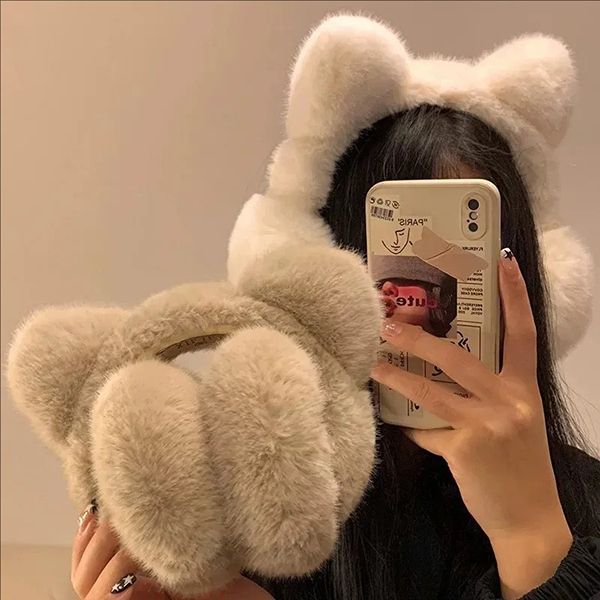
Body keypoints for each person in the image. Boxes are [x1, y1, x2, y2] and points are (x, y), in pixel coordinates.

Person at [70, 20, 600, 600]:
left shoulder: (585, 504)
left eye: (459, 265)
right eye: (394, 271)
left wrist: (532, 536)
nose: (415, 310)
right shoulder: (253, 510)